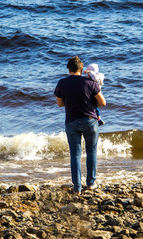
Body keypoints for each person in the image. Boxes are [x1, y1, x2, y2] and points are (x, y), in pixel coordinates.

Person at [54, 56, 106, 194]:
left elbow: (60, 103)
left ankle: (76, 188)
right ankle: (91, 183)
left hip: (71, 122)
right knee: (91, 152)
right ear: (82, 70)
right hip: (90, 121)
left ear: (68, 69)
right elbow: (102, 102)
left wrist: (72, 102)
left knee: (75, 155)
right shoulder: (89, 82)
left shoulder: (62, 83)